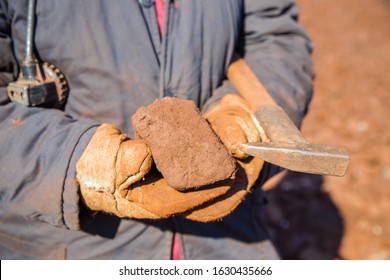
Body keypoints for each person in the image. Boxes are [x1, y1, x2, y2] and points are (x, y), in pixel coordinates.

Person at [0, 0, 313, 259]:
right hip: (66, 245)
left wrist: (245, 118)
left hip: (227, 242)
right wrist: (88, 164)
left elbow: (275, 39)